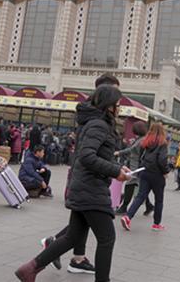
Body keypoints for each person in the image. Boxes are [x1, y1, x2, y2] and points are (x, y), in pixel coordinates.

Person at [15, 84, 130, 282]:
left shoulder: (93, 123)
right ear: (108, 105)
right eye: (116, 104)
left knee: (73, 237)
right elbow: (87, 156)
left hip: (84, 186)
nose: (119, 108)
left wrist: (118, 167)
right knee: (107, 238)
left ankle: (30, 268)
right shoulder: (99, 125)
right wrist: (114, 171)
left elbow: (96, 154)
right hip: (91, 188)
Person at [38, 73, 122, 275]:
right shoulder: (98, 119)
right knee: (103, 235)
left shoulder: (91, 114)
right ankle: (61, 253)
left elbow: (92, 148)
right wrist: (114, 169)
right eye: (116, 96)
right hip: (88, 179)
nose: (119, 104)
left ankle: (69, 259)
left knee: (78, 229)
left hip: (85, 177)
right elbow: (88, 154)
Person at [120, 123, 170, 232]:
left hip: (145, 172)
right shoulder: (163, 143)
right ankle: (156, 224)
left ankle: (128, 217)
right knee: (159, 200)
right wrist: (166, 172)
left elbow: (141, 157)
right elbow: (162, 160)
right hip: (157, 175)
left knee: (140, 196)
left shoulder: (145, 142)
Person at [114, 121, 154, 215]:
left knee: (130, 185)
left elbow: (131, 150)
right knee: (140, 188)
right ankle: (149, 206)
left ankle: (124, 207)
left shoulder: (141, 140)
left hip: (136, 167)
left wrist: (118, 153)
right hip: (134, 166)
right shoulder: (140, 139)